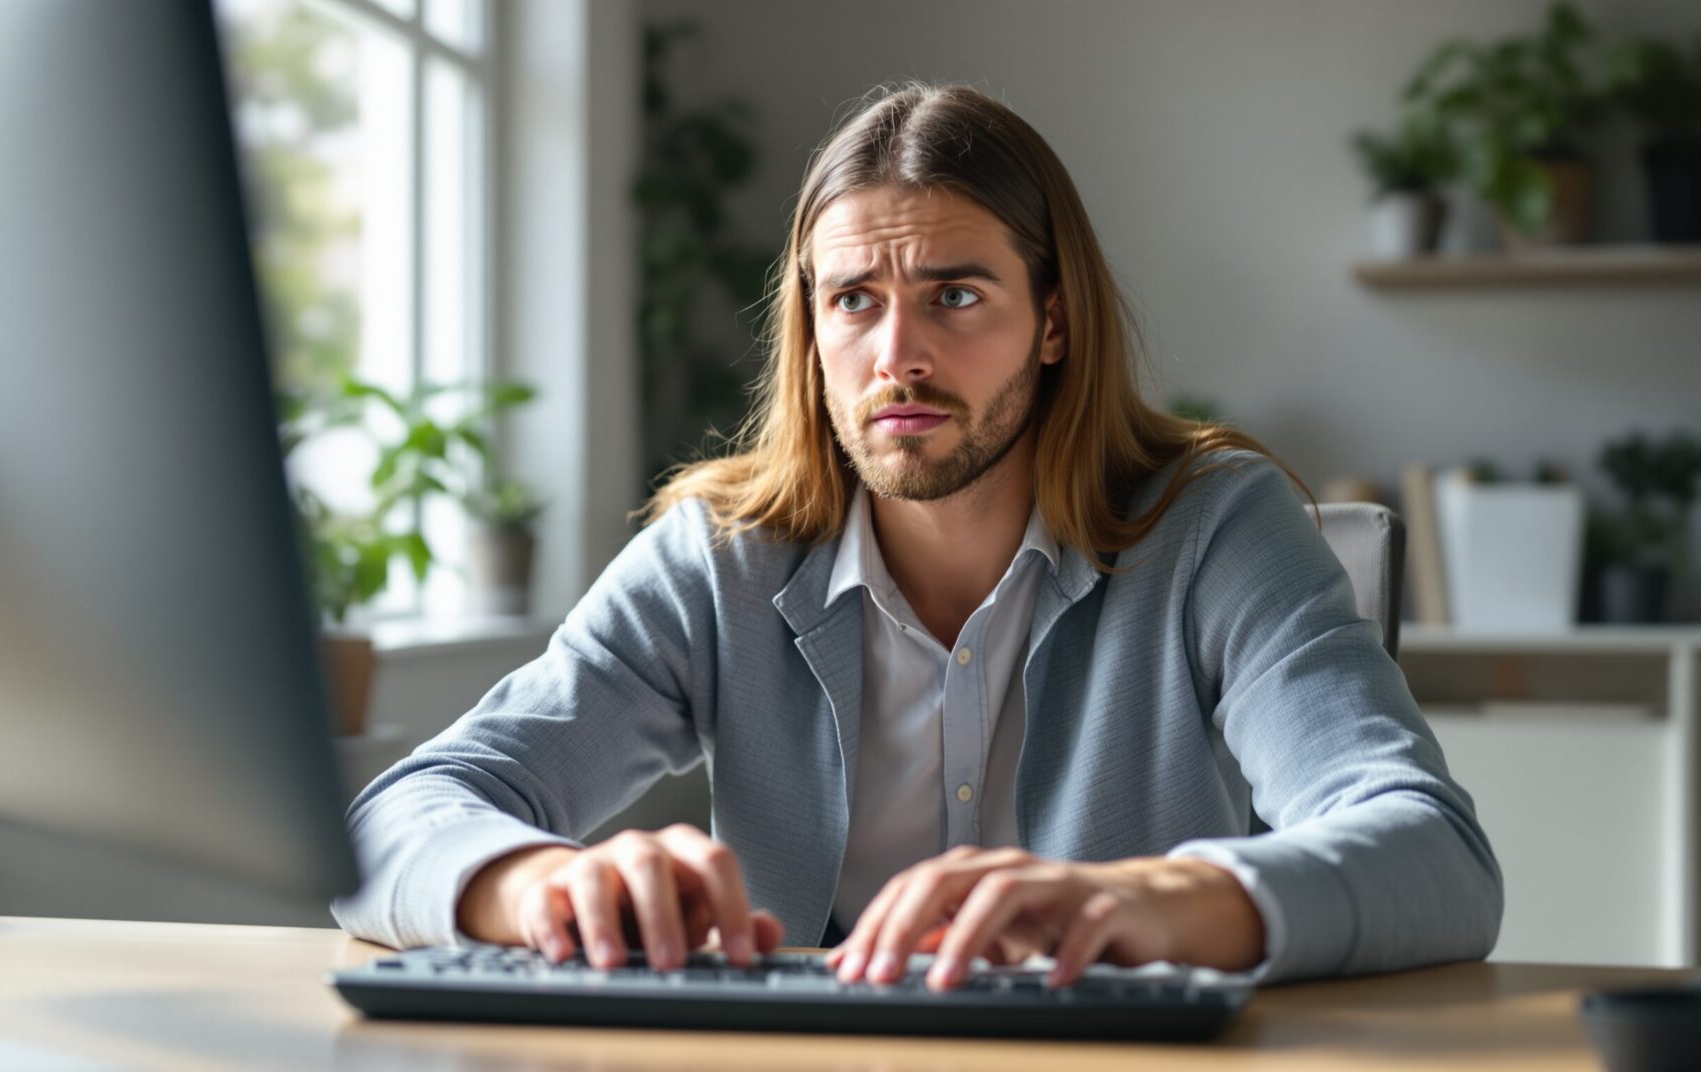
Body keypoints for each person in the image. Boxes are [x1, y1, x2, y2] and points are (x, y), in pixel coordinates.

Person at [331, 82, 1503, 991]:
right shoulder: (719, 558)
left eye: (955, 295)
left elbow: (1433, 854)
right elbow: (393, 820)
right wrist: (546, 885)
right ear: (812, 328)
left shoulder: (1212, 527)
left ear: (1053, 321)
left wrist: (1158, 901)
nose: (898, 355)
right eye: (853, 300)